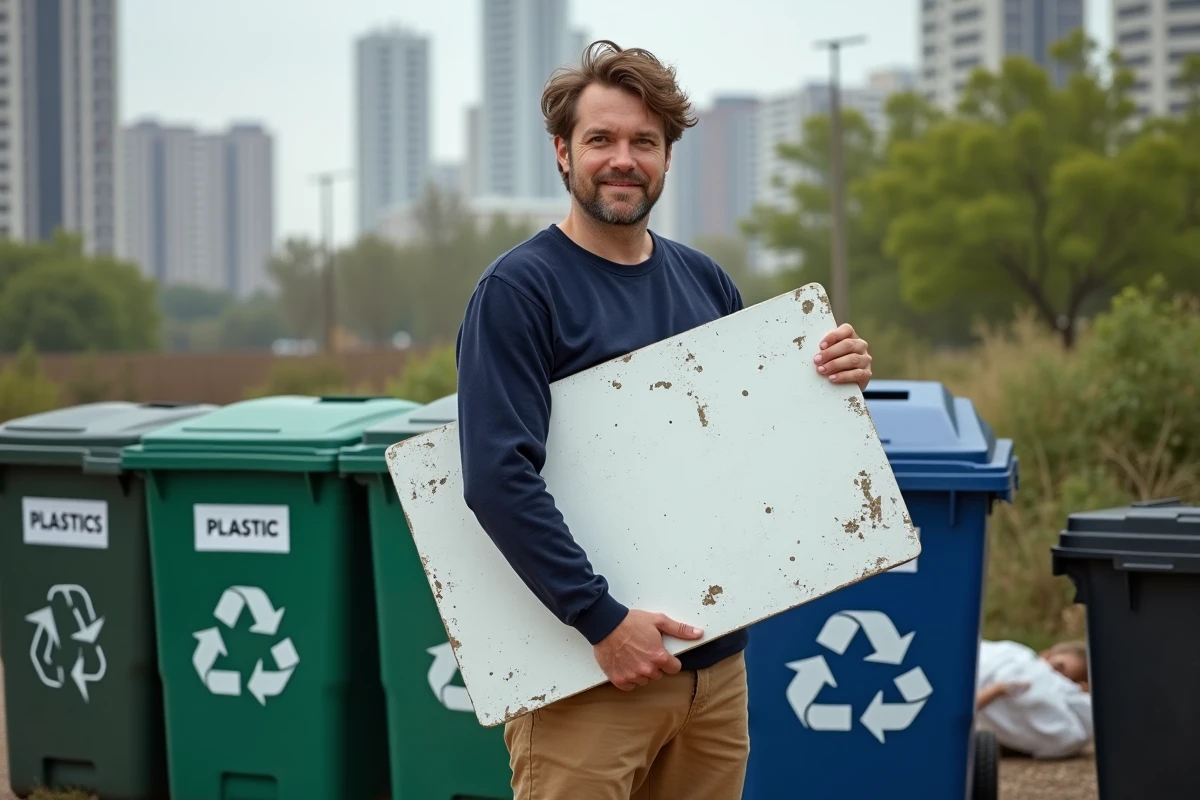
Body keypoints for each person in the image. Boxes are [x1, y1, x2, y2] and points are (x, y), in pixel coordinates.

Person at [454, 40, 875, 799]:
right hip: (587, 675)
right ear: (562, 152)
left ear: (667, 157)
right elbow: (497, 478)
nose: (624, 159)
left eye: (644, 142)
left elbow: (758, 447)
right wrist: (602, 623)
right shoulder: (519, 292)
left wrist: (834, 385)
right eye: (601, 140)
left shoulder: (705, 279)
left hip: (714, 678)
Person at [975, 638, 1092, 760]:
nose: (1058, 679)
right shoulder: (1016, 658)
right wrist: (997, 690)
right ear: (1046, 655)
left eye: (1070, 680)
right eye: (1058, 667)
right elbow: (959, 707)